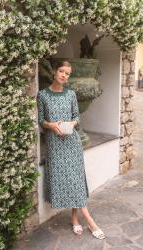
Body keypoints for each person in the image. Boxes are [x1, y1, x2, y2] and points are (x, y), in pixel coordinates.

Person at [37, 60, 105, 239]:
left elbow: (77, 117)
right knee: (68, 180)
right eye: (61, 71)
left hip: (72, 141)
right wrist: (52, 125)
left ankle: (79, 219)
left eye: (67, 73)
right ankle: (85, 219)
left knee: (76, 179)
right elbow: (41, 120)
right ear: (54, 72)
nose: (64, 75)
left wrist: (70, 123)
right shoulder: (42, 95)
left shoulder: (71, 94)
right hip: (55, 143)